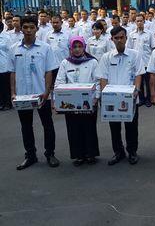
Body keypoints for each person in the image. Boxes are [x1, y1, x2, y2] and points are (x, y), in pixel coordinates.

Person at [8, 16, 59, 170]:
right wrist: (13, 93)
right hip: (22, 95)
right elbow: (12, 73)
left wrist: (47, 91)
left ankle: (50, 153)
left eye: (31, 27)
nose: (28, 30)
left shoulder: (45, 48)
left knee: (47, 124)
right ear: (21, 29)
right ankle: (30, 155)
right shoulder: (14, 49)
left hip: (40, 93)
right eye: (25, 27)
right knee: (26, 126)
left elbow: (49, 71)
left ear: (36, 29)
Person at [96, 26, 145, 165]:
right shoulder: (106, 57)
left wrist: (137, 90)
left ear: (126, 38)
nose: (119, 40)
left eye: (121, 37)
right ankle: (118, 152)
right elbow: (103, 77)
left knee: (131, 127)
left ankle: (132, 152)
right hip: (112, 99)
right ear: (112, 39)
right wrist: (104, 95)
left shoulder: (135, 55)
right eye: (116, 38)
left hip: (130, 97)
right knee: (114, 127)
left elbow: (138, 74)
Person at [54, 36, 100, 166]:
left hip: (88, 102)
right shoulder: (65, 63)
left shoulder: (92, 62)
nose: (77, 49)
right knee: (74, 128)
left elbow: (97, 80)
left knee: (89, 127)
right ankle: (78, 155)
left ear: (84, 47)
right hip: (70, 103)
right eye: (74, 47)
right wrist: (57, 101)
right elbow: (59, 82)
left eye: (80, 46)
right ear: (70, 48)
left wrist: (96, 96)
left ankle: (91, 154)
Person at [126, 14, 155, 107]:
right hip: (136, 62)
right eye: (137, 21)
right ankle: (141, 99)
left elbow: (154, 48)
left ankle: (148, 99)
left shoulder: (149, 33)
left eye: (141, 21)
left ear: (144, 22)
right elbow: (129, 48)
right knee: (138, 82)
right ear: (135, 22)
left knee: (148, 82)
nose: (139, 23)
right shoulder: (132, 34)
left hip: (147, 61)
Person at [0, 21, 13, 110]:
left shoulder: (6, 37)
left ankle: (8, 103)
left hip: (4, 65)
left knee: (5, 86)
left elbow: (10, 51)